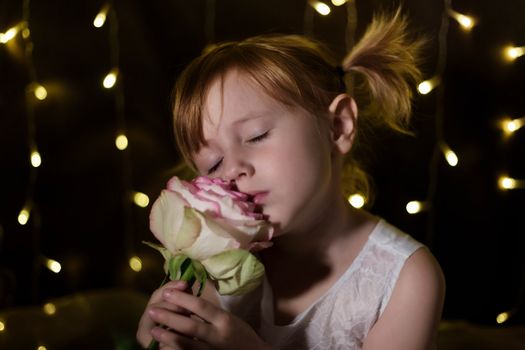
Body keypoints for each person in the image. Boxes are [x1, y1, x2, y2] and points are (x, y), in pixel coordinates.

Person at [136, 8, 445, 350]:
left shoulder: (405, 279)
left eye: (255, 136)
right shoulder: (218, 259)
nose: (232, 170)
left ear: (337, 126)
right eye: (213, 164)